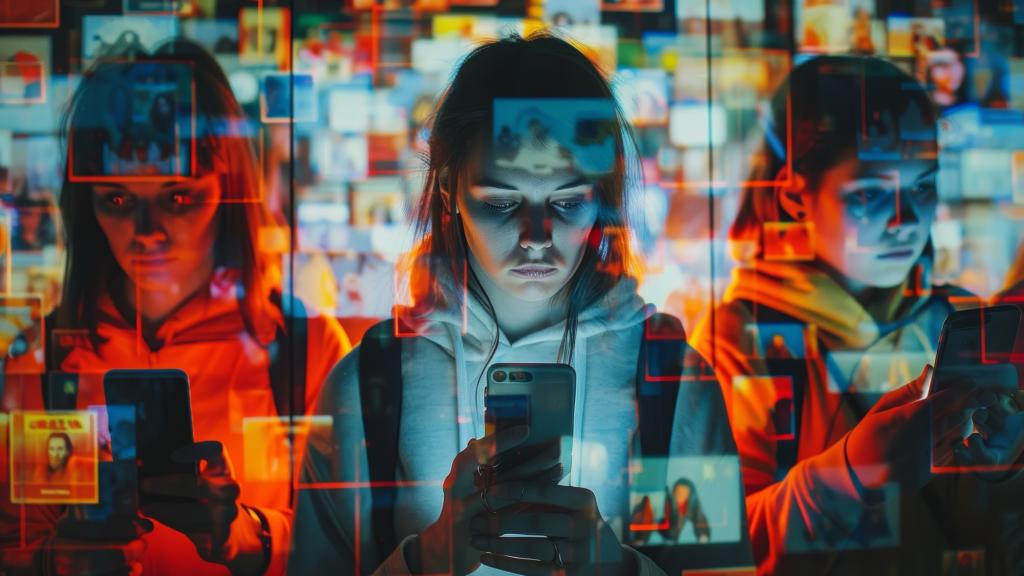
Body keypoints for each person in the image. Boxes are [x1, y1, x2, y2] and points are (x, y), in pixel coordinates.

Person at [290, 33, 742, 575]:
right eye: (502, 202)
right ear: (449, 189)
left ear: (602, 196)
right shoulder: (367, 384)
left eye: (568, 202)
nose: (535, 236)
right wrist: (428, 560)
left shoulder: (673, 380)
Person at [0, 39, 350, 575]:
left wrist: (245, 533)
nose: (147, 234)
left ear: (229, 192)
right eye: (116, 199)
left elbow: (355, 545)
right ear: (85, 205)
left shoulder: (307, 349)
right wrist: (57, 558)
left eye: (178, 196)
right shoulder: (39, 361)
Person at [693, 54, 1024, 574]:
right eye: (870, 192)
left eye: (922, 186)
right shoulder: (738, 341)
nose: (906, 220)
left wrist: (1001, 468)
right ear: (796, 193)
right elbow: (713, 545)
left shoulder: (958, 316)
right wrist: (853, 473)